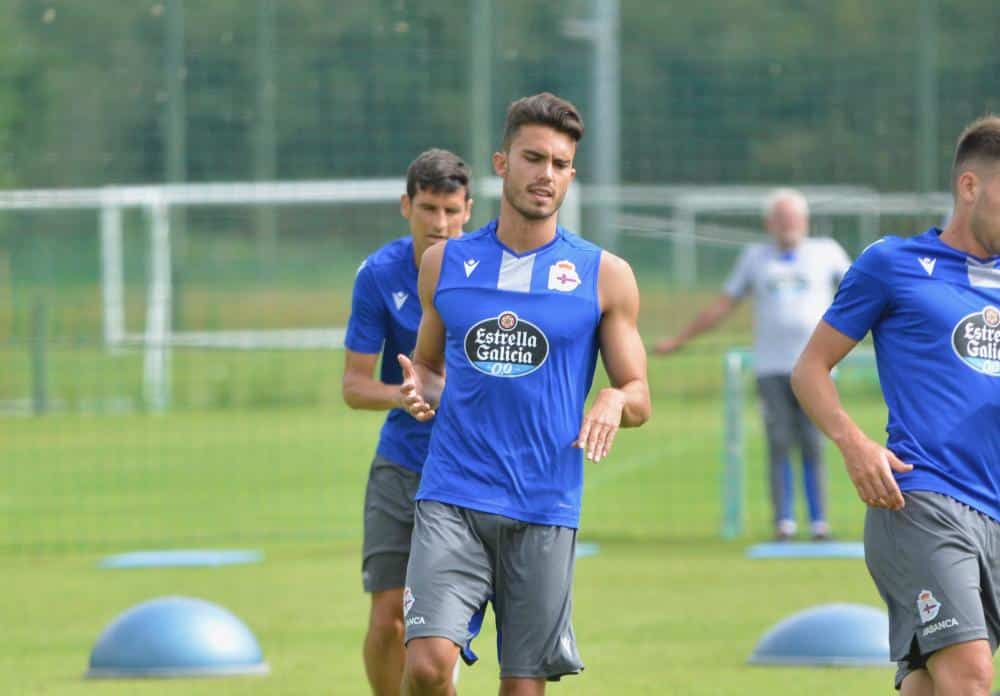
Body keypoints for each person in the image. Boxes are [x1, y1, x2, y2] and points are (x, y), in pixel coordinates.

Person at [395, 92, 651, 696]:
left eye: (560, 164)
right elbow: (430, 366)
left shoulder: (604, 275)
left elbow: (638, 391)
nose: (547, 175)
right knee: (428, 666)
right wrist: (420, 390)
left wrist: (613, 400)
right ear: (501, 163)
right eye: (533, 158)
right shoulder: (446, 263)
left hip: (544, 505)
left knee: (524, 689)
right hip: (453, 494)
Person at [791, 115, 1000, 695]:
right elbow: (810, 368)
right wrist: (854, 444)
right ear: (970, 186)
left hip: (995, 508)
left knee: (930, 682)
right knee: (971, 676)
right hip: (923, 498)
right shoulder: (894, 264)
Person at [342, 148, 473, 696]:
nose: (439, 223)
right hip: (401, 464)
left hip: (470, 469)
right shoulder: (378, 275)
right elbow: (353, 386)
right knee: (388, 620)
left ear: (468, 209)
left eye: (450, 209)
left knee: (438, 639)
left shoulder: (488, 271)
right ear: (405, 206)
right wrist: (405, 396)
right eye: (427, 208)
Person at [653, 189, 850, 540]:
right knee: (778, 440)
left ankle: (819, 521)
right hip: (772, 369)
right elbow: (723, 305)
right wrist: (680, 340)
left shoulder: (827, 253)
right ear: (770, 223)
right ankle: (784, 522)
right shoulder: (756, 258)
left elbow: (860, 294)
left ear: (804, 221)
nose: (788, 225)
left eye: (794, 218)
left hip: (817, 369)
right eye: (781, 219)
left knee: (814, 441)